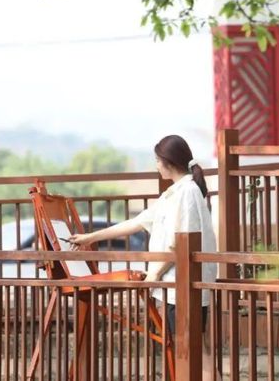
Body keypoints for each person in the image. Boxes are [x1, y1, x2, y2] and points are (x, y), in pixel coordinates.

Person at [69, 134, 219, 378]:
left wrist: (154, 274)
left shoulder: (188, 192)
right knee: (189, 349)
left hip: (184, 284)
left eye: (158, 161)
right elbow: (137, 222)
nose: (156, 165)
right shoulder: (174, 193)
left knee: (195, 351)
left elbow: (180, 243)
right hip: (176, 284)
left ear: (169, 162)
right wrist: (89, 238)